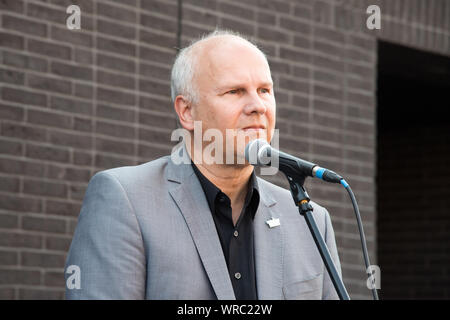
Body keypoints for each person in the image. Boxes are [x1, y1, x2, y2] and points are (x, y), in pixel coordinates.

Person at [64, 30, 342, 300]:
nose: (258, 105)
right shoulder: (125, 200)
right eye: (235, 91)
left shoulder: (311, 219)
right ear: (187, 111)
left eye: (264, 90)